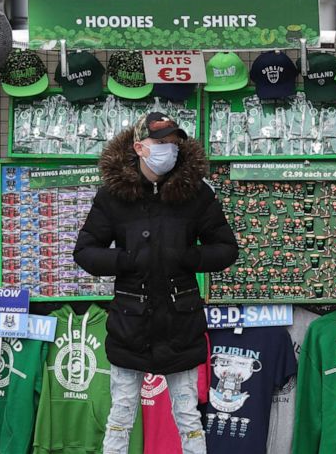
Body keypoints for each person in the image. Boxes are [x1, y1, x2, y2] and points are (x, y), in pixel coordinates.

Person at [74, 112, 238, 454]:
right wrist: (127, 260)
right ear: (139, 147)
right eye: (160, 143)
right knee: (120, 416)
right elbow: (85, 251)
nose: (169, 150)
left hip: (181, 323)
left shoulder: (195, 194)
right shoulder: (113, 196)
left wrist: (188, 257)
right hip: (129, 324)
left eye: (173, 143)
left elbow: (226, 249)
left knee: (188, 417)